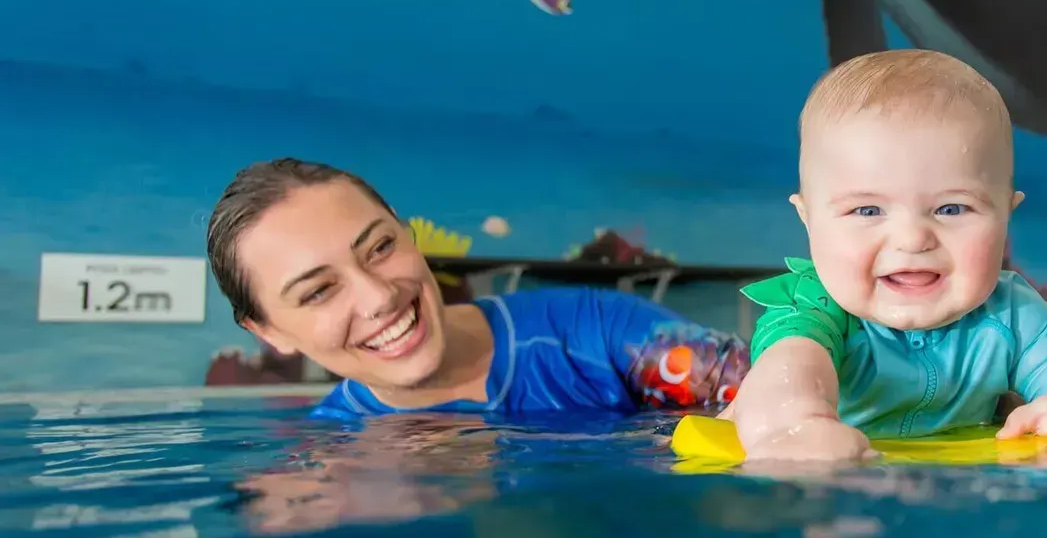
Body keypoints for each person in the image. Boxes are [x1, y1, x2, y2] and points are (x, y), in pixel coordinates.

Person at [724, 49, 1047, 462]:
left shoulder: (1010, 314)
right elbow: (785, 379)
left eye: (952, 209)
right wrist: (794, 424)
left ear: (1004, 216)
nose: (911, 239)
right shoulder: (813, 310)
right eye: (867, 210)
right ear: (809, 219)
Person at [205, 157, 748, 422]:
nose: (377, 297)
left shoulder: (593, 335)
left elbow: (769, 386)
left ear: (404, 229)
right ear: (267, 330)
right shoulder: (332, 461)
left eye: (379, 248)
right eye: (319, 291)